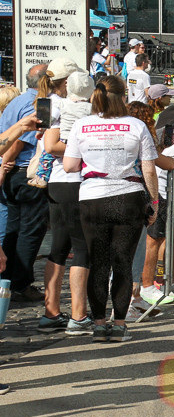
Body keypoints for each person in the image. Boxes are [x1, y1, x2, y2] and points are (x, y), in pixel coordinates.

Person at [63, 75, 160, 343]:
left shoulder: (82, 125)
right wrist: (154, 203)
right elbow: (149, 169)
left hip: (93, 196)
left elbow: (70, 166)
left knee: (99, 263)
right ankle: (119, 325)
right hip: (128, 196)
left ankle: (98, 324)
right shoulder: (136, 125)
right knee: (123, 263)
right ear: (123, 95)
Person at [40, 71, 94, 334]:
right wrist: (81, 147)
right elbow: (52, 146)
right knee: (82, 248)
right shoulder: (94, 112)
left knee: (58, 247)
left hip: (59, 182)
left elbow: (50, 144)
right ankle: (78, 315)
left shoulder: (57, 108)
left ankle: (51, 313)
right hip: (81, 182)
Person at [0, 63, 52, 303]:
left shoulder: (17, 101)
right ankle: (19, 283)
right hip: (26, 174)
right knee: (28, 231)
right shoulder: (35, 106)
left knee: (15, 228)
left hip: (15, 174)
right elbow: (19, 142)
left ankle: (9, 279)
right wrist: (3, 167)